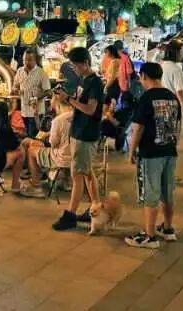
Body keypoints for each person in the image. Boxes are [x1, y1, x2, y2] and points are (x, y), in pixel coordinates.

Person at [126, 62, 181, 249]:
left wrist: (132, 151)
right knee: (167, 192)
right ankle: (168, 228)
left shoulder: (146, 98)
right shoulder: (172, 97)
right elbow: (177, 126)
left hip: (151, 153)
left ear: (144, 76)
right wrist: (173, 145)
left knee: (151, 193)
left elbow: (138, 128)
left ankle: (149, 236)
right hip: (170, 151)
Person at [52, 47, 103, 231]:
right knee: (87, 172)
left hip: (85, 134)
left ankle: (71, 215)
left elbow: (90, 109)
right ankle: (95, 207)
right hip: (79, 131)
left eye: (75, 65)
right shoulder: (84, 80)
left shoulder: (95, 83)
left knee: (78, 175)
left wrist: (69, 100)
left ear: (85, 63)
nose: (74, 69)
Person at [19, 94, 73, 198]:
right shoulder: (77, 116)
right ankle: (64, 181)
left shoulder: (58, 120)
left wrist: (47, 137)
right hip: (76, 156)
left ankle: (36, 186)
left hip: (61, 157)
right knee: (32, 144)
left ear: (58, 104)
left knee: (31, 151)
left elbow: (53, 143)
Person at [13, 48, 51, 138]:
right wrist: (16, 90)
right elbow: (15, 86)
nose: (26, 62)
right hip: (24, 110)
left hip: (36, 112)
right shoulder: (20, 71)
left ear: (35, 60)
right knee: (28, 135)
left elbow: (48, 92)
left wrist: (37, 97)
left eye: (29, 60)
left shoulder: (41, 73)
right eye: (25, 60)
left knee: (33, 137)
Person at [159, 43, 183, 126]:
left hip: (159, 104)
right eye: (182, 51)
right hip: (172, 106)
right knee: (171, 131)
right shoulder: (176, 69)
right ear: (175, 52)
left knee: (162, 130)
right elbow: (180, 93)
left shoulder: (161, 65)